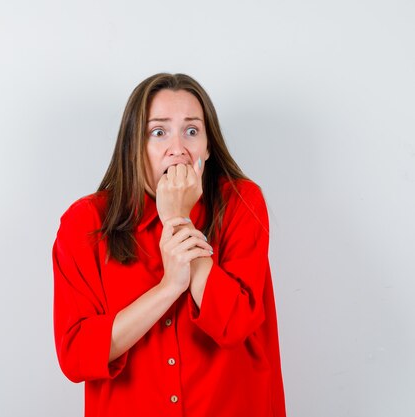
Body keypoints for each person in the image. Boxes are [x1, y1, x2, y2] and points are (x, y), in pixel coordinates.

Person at [52, 73, 286, 417]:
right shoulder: (84, 222)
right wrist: (169, 287)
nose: (178, 149)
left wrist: (178, 219)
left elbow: (236, 323)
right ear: (134, 145)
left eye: (192, 131)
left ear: (207, 146)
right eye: (158, 132)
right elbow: (77, 356)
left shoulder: (241, 202)